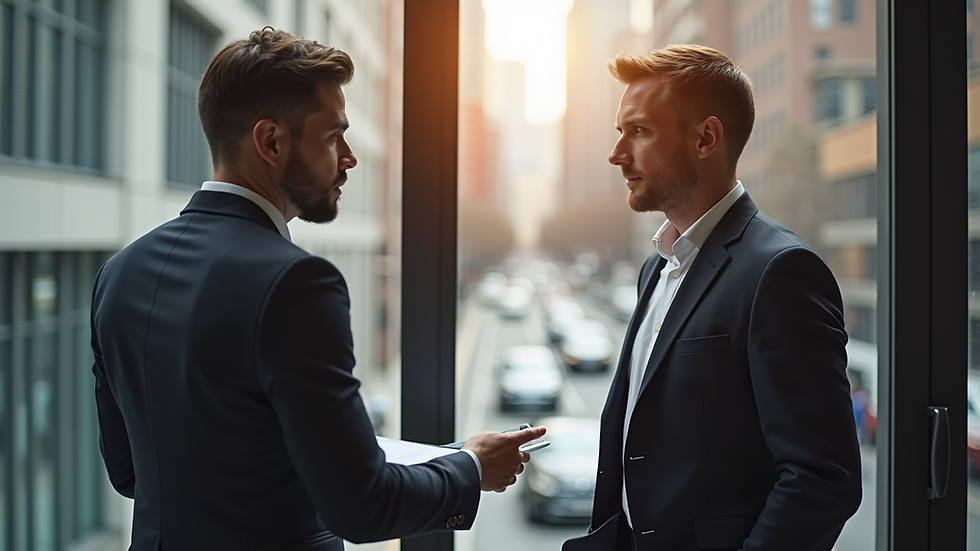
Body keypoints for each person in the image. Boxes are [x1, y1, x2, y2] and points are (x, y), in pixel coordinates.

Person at [91, 27, 545, 551]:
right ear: (271, 141)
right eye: (333, 136)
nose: (349, 157)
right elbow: (362, 505)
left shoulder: (119, 272)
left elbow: (130, 474)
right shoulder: (296, 283)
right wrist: (470, 467)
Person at [563, 45, 862, 551]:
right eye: (619, 131)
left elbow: (822, 479)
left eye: (638, 131)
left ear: (706, 138)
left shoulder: (781, 272)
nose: (617, 153)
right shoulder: (655, 267)